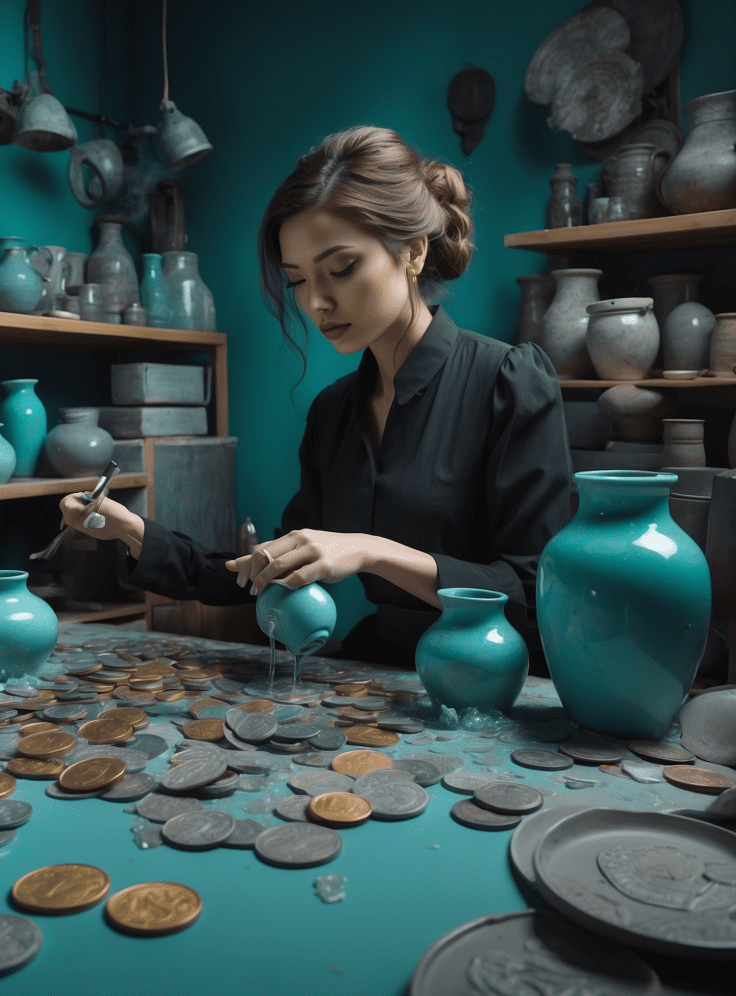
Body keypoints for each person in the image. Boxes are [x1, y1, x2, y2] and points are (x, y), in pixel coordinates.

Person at [59, 126, 572, 670]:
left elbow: (536, 593)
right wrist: (136, 532)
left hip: (500, 686)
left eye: (342, 268)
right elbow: (275, 570)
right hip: (378, 676)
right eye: (298, 280)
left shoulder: (509, 382)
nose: (318, 302)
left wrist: (371, 550)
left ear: (415, 251)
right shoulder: (334, 414)